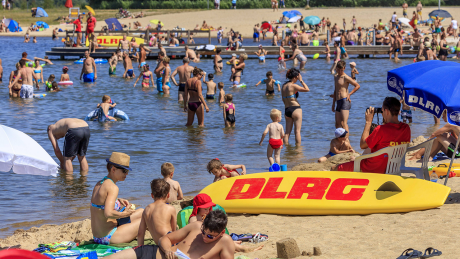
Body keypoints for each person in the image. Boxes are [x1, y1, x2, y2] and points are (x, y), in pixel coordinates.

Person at [104, 210, 235, 259]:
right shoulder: (195, 226)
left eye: (210, 236)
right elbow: (165, 238)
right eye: (203, 232)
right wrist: (167, 251)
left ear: (222, 233)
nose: (205, 237)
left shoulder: (225, 242)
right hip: (153, 254)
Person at [334, 97, 411, 173]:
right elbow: (391, 133)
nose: (382, 113)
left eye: (382, 110)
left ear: (386, 111)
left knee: (334, 168)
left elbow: (362, 145)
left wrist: (368, 122)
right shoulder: (406, 128)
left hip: (372, 168)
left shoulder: (381, 129)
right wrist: (386, 119)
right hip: (392, 168)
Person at [90, 152, 144, 245]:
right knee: (146, 219)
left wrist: (118, 200)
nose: (126, 174)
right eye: (124, 171)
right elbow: (108, 213)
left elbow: (100, 201)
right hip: (109, 237)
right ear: (113, 169)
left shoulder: (99, 183)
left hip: (97, 236)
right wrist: (124, 214)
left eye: (127, 171)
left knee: (142, 211)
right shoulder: (113, 187)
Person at [137, 178, 177, 245]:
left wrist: (141, 249)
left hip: (158, 244)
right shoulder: (170, 208)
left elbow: (140, 233)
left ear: (152, 195)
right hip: (168, 243)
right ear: (168, 195)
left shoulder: (147, 209)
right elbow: (174, 232)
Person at [281, 68, 310, 145]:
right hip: (295, 109)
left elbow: (282, 99)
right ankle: (298, 151)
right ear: (294, 77)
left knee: (287, 133)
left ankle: (287, 151)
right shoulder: (294, 86)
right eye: (297, 77)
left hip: (287, 110)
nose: (298, 79)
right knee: (297, 132)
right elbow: (307, 89)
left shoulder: (283, 86)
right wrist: (301, 80)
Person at [332, 60, 360, 134]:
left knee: (344, 123)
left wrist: (349, 94)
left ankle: (347, 141)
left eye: (341, 70)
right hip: (338, 102)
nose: (340, 71)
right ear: (336, 68)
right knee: (337, 124)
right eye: (338, 70)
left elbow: (357, 86)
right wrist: (333, 103)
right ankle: (341, 139)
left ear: (344, 68)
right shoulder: (335, 77)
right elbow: (336, 90)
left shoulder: (346, 77)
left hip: (345, 101)